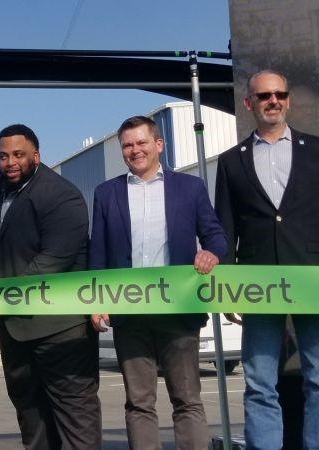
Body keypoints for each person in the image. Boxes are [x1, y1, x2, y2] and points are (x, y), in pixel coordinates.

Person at [88, 116, 227, 450]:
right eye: (128, 145)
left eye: (141, 142)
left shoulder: (189, 188)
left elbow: (216, 235)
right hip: (129, 315)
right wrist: (95, 300)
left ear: (158, 145)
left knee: (188, 400)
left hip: (179, 312)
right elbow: (99, 252)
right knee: (139, 403)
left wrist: (211, 253)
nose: (135, 150)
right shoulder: (107, 193)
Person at [215, 69, 319, 450]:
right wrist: (228, 287)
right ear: (249, 102)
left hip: (314, 279)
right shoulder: (232, 161)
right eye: (264, 95)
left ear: (288, 100)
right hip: (256, 282)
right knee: (259, 382)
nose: (273, 101)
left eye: (280, 94)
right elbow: (225, 227)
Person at [0, 124, 101, 449]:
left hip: (62, 331)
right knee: (31, 419)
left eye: (18, 154)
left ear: (37, 156)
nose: (10, 162)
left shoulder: (62, 195)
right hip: (14, 333)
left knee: (75, 420)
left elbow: (52, 261)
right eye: (3, 156)